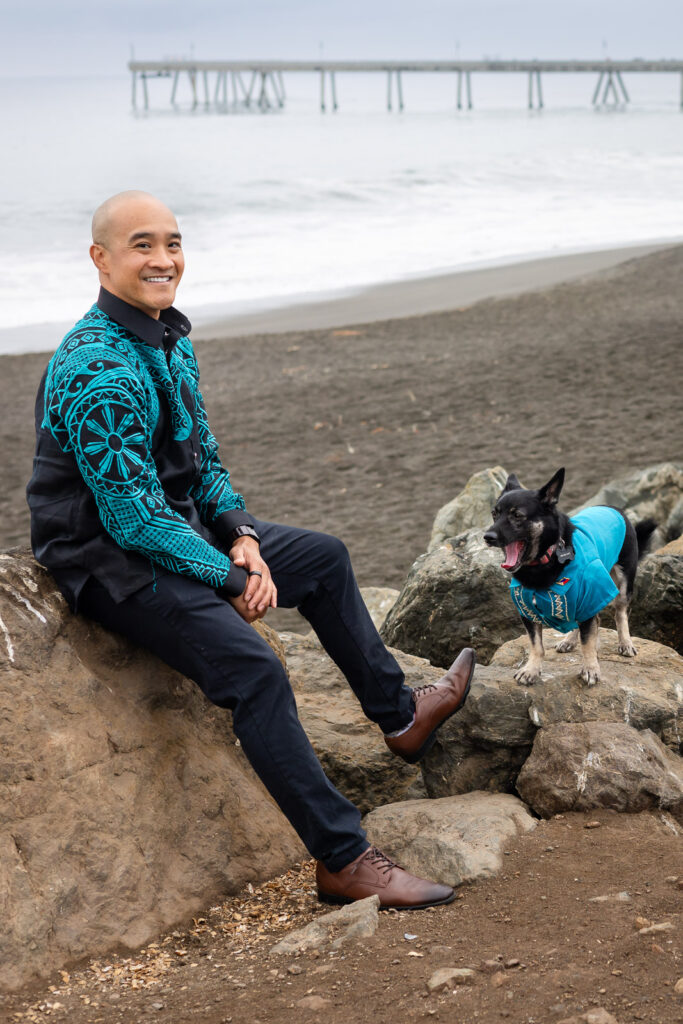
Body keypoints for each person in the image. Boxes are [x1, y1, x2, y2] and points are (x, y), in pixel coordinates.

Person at [27, 191, 475, 909]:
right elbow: (132, 518)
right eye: (142, 244)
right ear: (100, 258)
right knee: (254, 670)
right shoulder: (95, 369)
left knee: (322, 558)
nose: (164, 258)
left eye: (172, 243)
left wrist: (241, 538)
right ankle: (342, 858)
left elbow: (202, 458)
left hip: (177, 529)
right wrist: (230, 581)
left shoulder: (167, 336)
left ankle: (399, 716)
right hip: (107, 561)